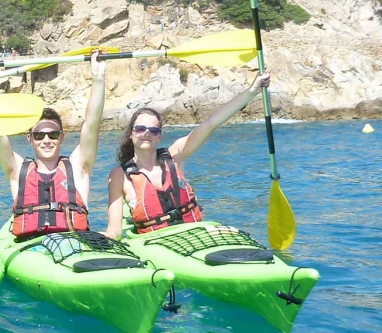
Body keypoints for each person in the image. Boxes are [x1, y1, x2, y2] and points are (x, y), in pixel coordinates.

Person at [104, 72, 271, 238]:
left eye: (153, 130)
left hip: (194, 235)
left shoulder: (175, 156)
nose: (146, 133)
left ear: (159, 136)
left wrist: (253, 90)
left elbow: (211, 123)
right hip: (154, 243)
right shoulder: (119, 176)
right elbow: (114, 231)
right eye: (140, 129)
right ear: (131, 133)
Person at [0, 54, 106, 240]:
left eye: (53, 135)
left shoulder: (78, 168)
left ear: (61, 137)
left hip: (74, 242)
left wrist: (98, 77)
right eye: (39, 135)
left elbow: (92, 123)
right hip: (31, 248)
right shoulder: (18, 170)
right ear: (30, 139)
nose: (46, 140)